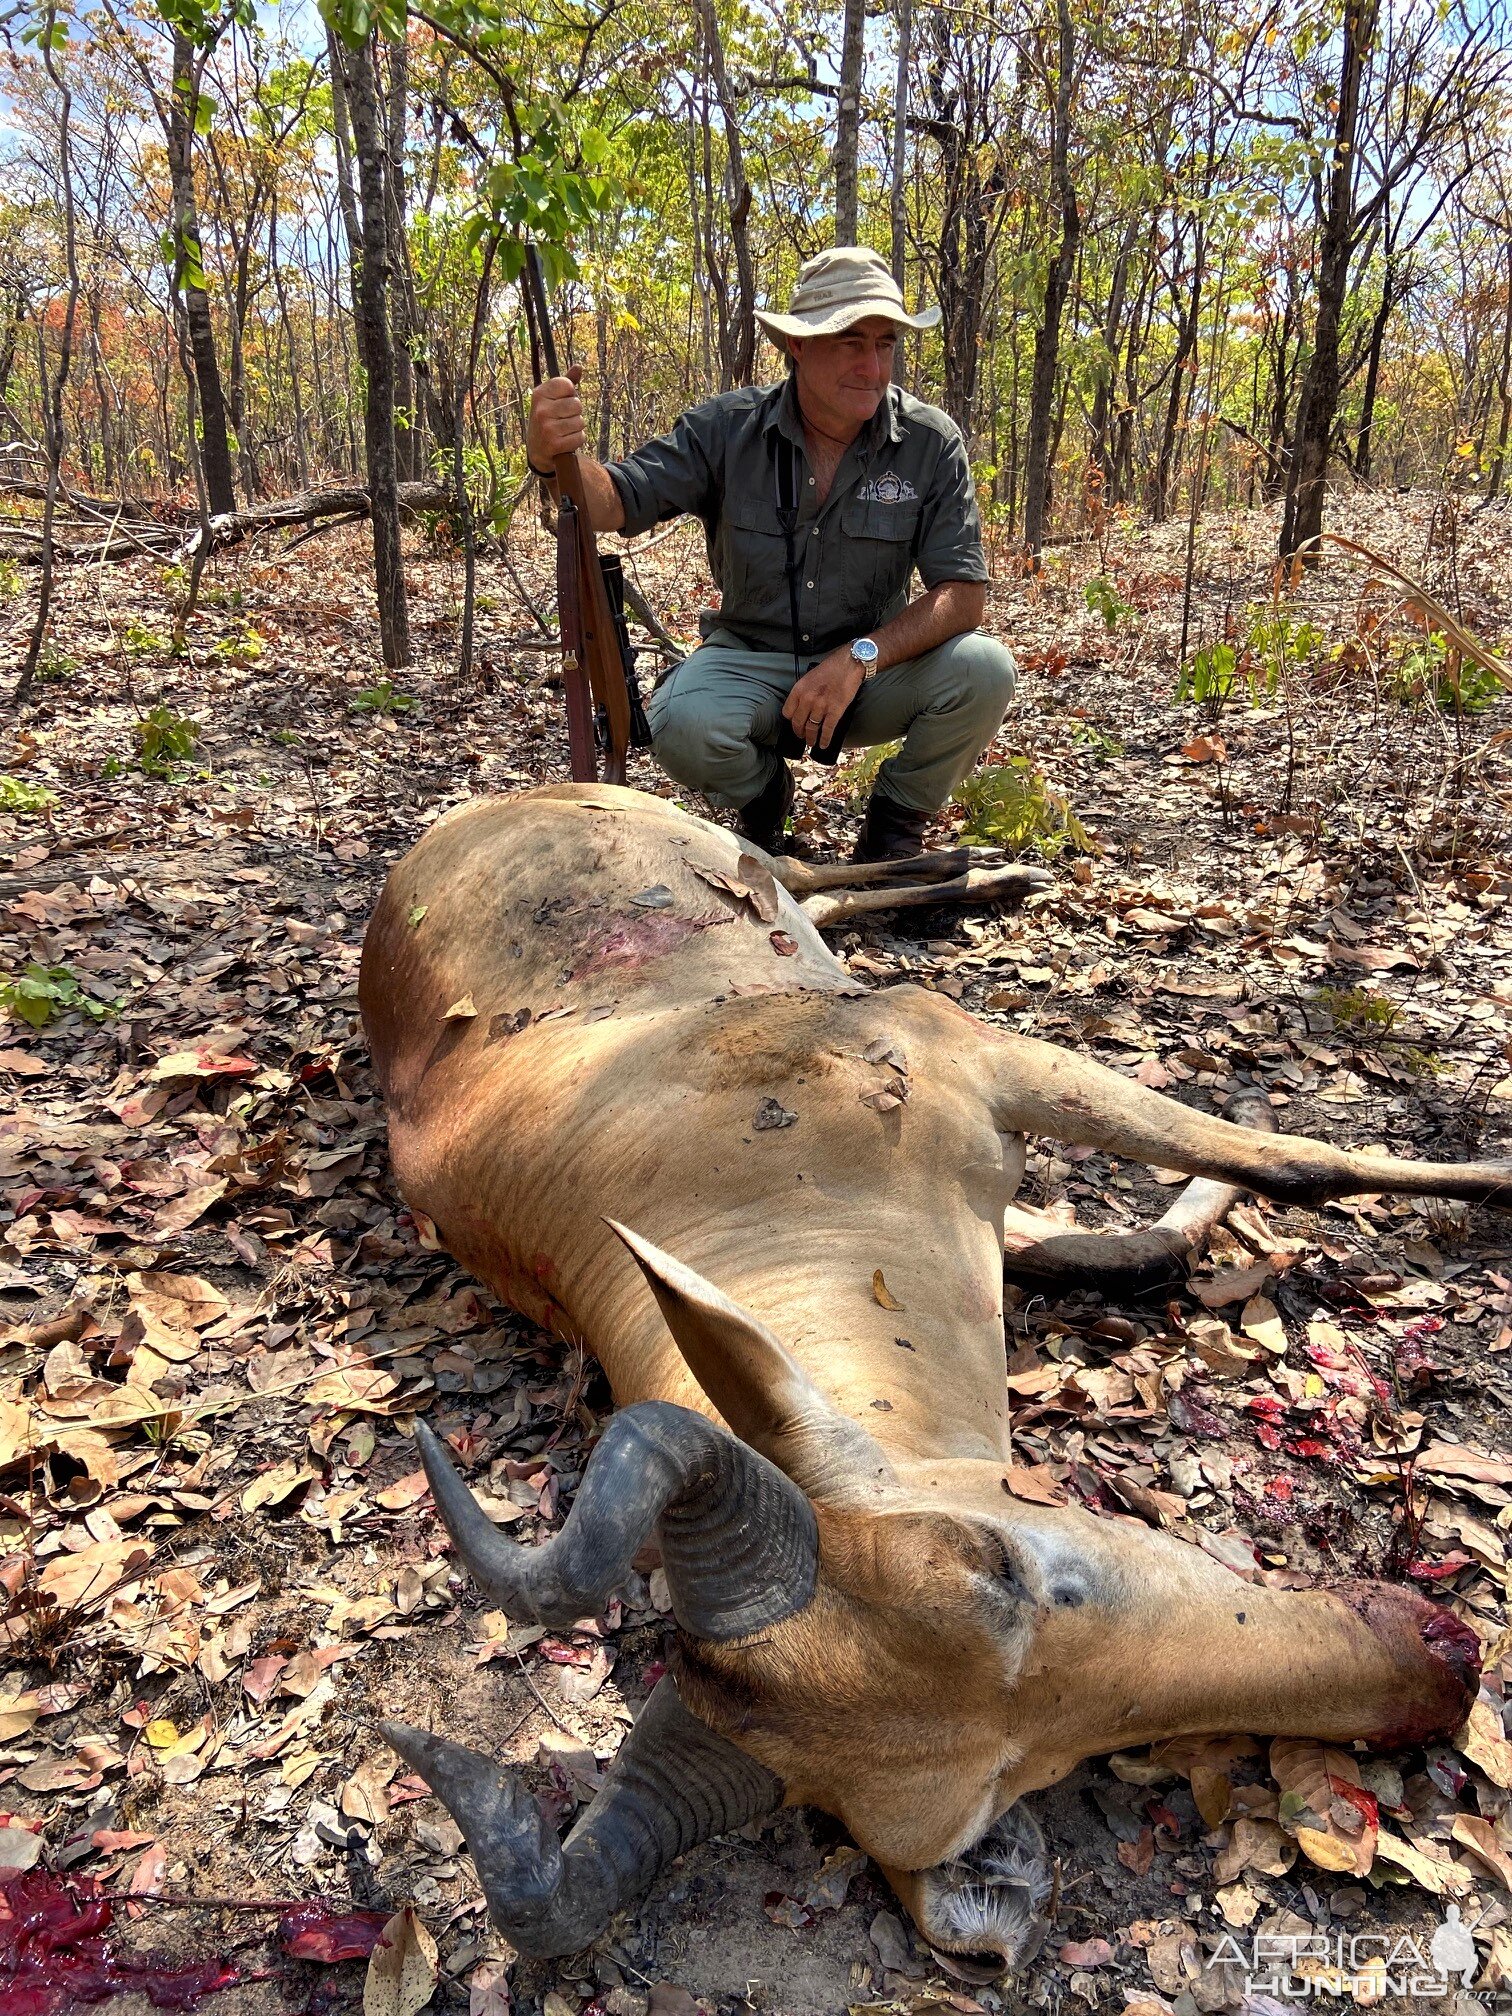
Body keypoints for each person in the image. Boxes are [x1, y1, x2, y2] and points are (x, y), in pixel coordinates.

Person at [526, 246, 1017, 860]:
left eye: (885, 344)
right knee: (679, 722)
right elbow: (614, 503)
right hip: (750, 660)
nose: (872, 366)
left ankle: (894, 828)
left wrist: (859, 657)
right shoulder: (726, 429)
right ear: (798, 345)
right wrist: (552, 457)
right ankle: (763, 798)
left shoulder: (929, 441)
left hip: (868, 670)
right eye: (849, 342)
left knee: (984, 669)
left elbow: (963, 595)